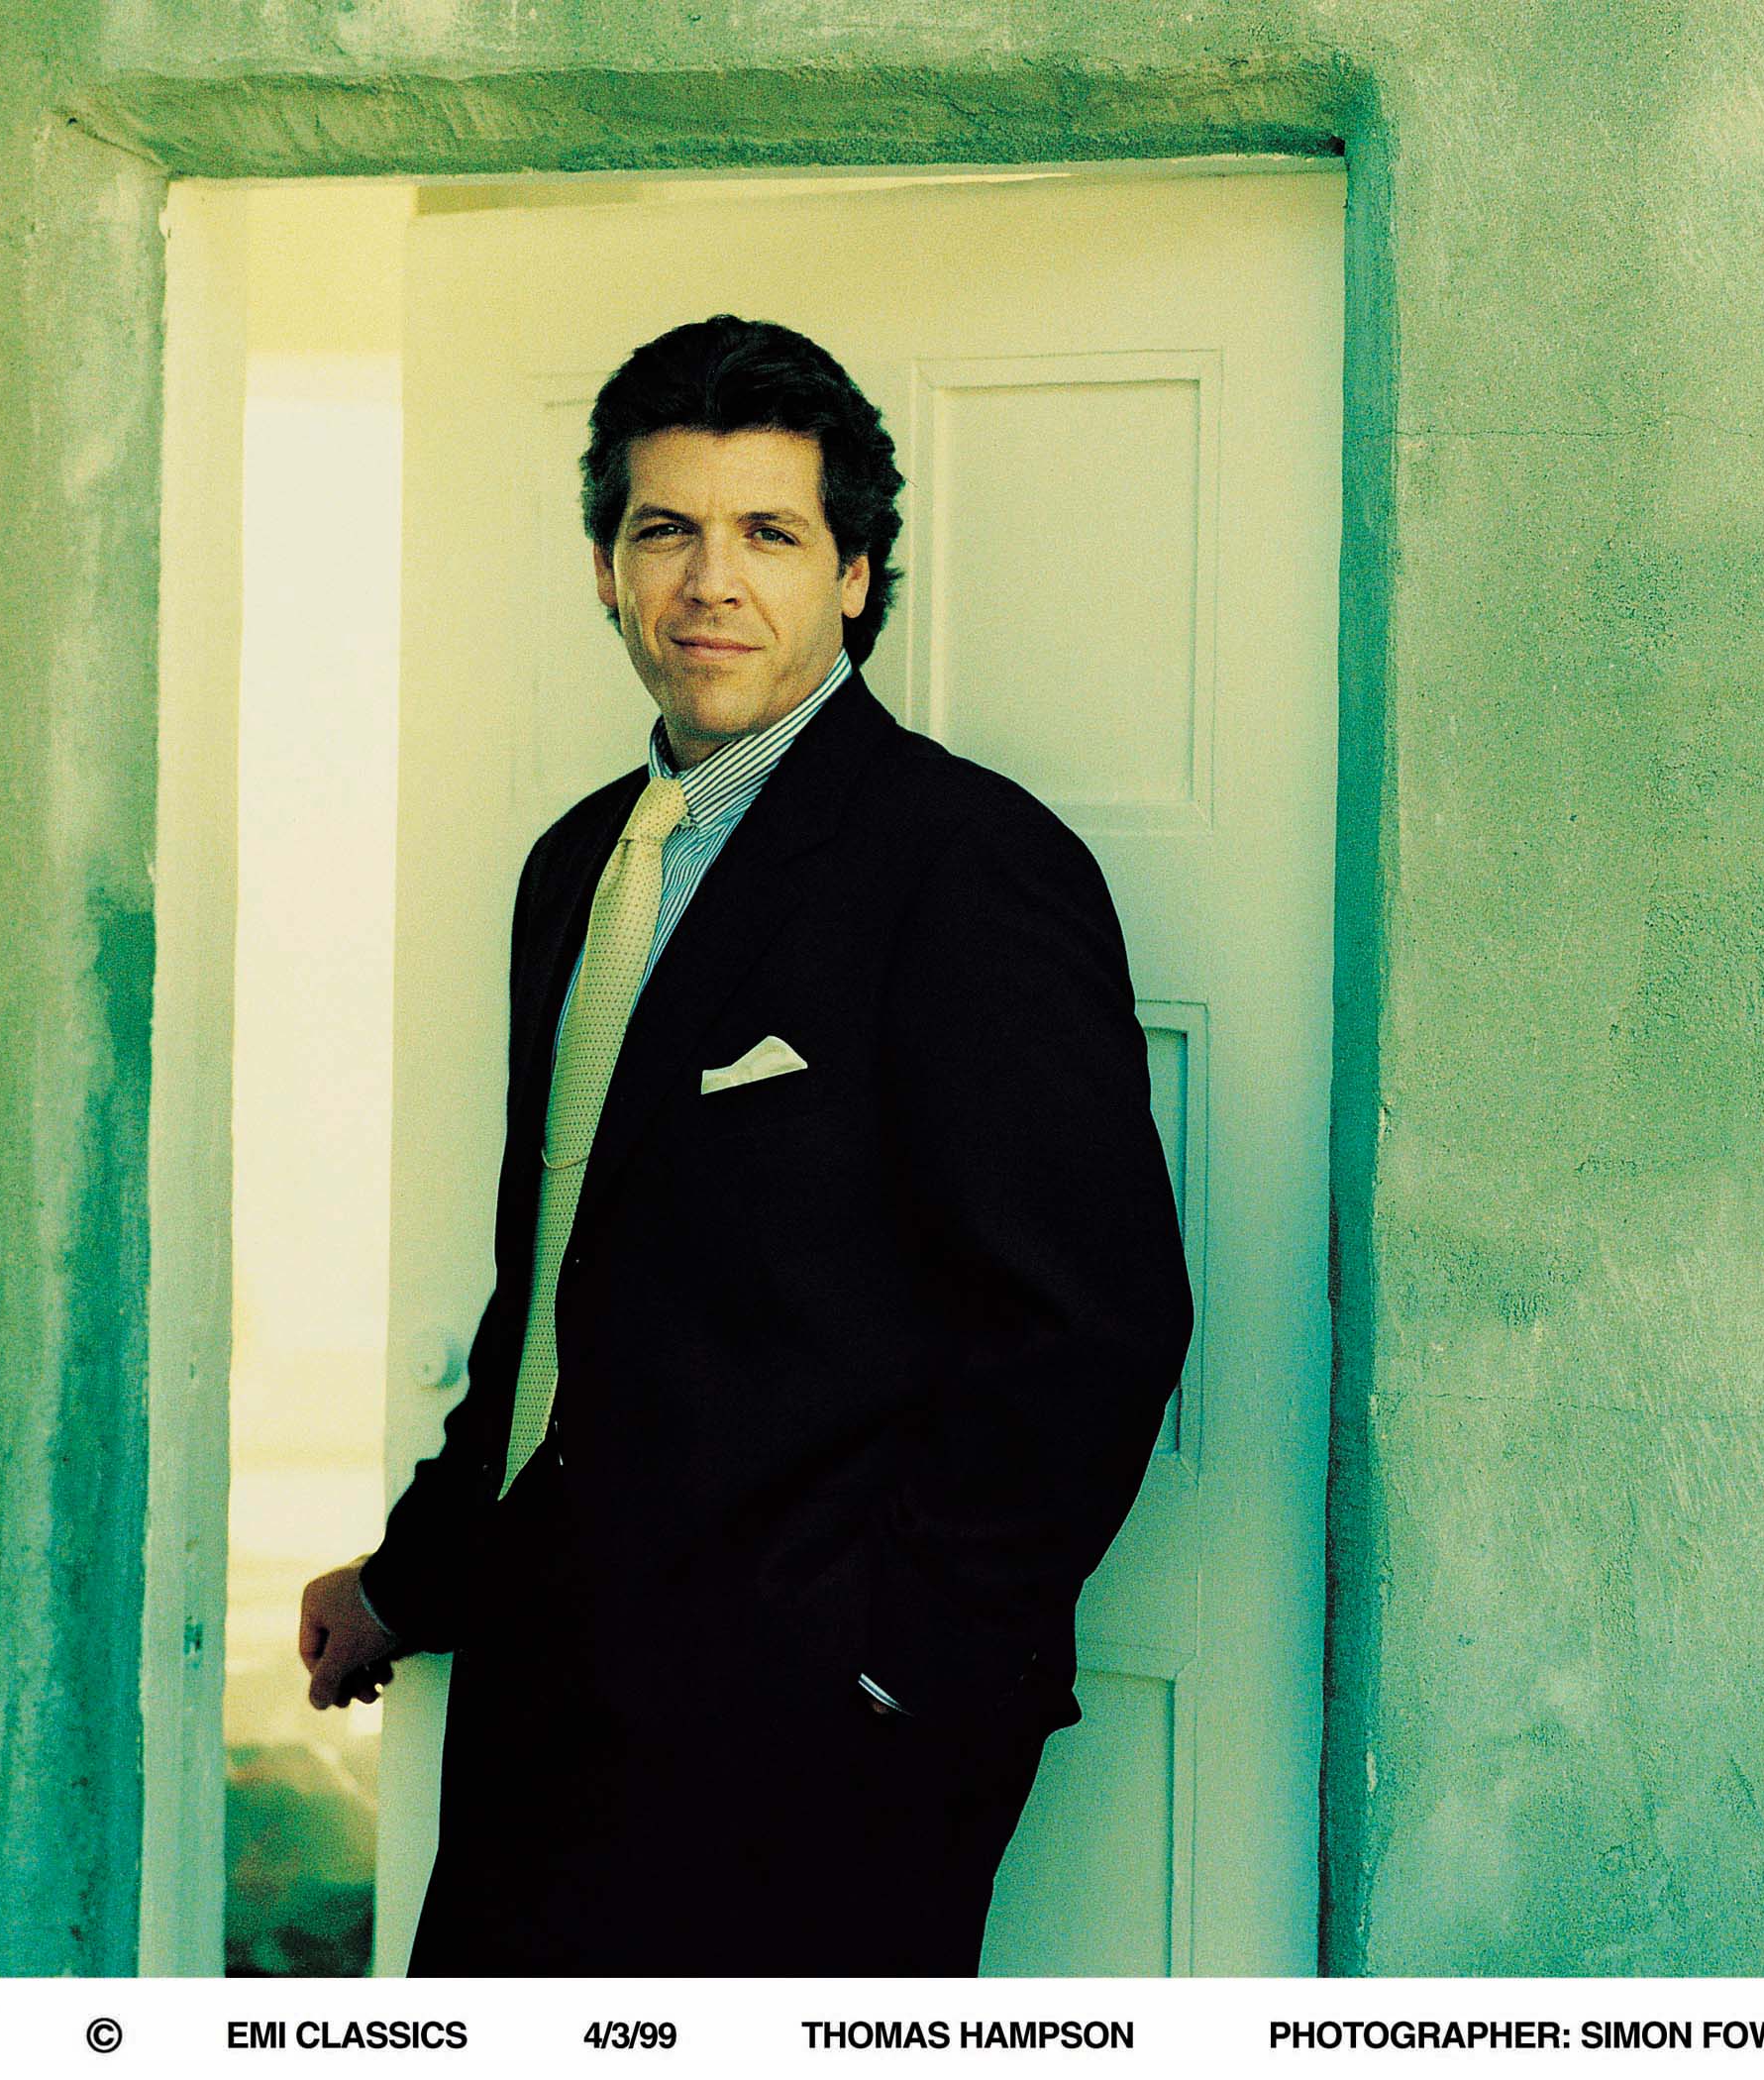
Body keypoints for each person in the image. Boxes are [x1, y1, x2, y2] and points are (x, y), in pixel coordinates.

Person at [299, 314, 1193, 1977]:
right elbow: (563, 1286)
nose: (711, 582)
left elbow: (1092, 1327)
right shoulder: (578, 864)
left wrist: (900, 1673)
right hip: (549, 1690)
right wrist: (413, 1578)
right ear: (606, 568)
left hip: (815, 1748)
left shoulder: (964, 864)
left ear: (853, 575)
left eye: (770, 533)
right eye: (667, 530)